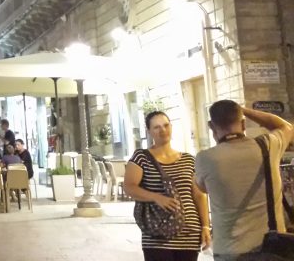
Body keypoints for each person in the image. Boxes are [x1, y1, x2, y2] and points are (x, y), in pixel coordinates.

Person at [195, 101, 294, 260]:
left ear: (211, 126)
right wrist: (244, 110)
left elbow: (202, 188)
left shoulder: (205, 158)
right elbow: (286, 127)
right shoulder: (268, 145)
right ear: (243, 123)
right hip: (271, 249)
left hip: (229, 251)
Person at [124, 111, 207, 261]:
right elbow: (129, 187)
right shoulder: (141, 157)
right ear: (149, 131)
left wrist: (205, 226)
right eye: (157, 127)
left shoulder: (189, 159)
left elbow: (199, 195)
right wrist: (155, 197)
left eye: (166, 125)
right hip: (157, 233)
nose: (163, 130)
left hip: (189, 232)